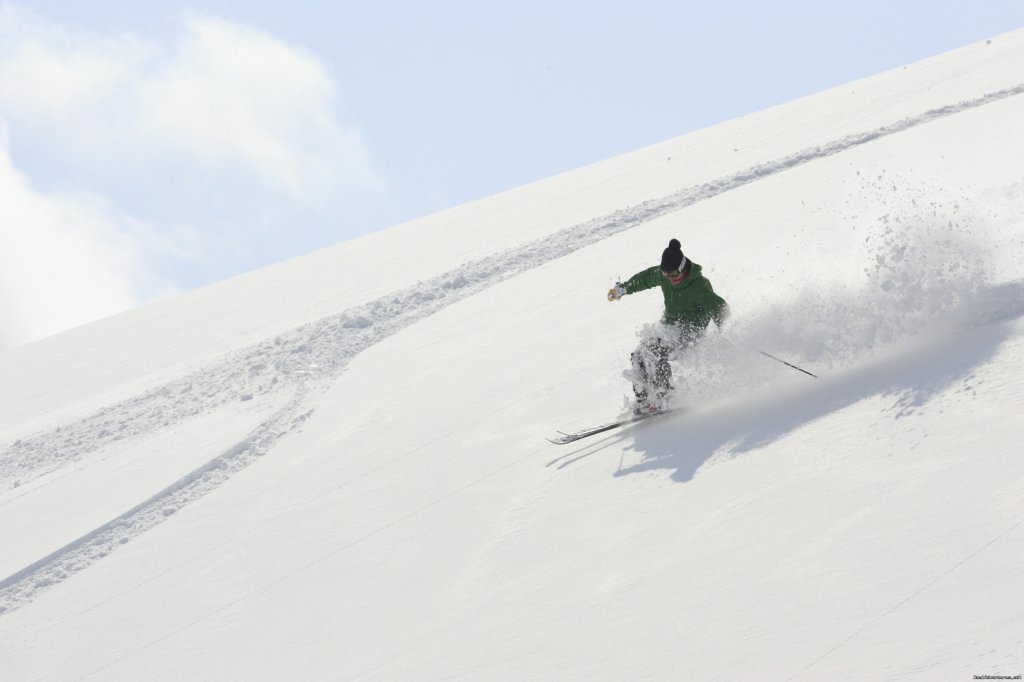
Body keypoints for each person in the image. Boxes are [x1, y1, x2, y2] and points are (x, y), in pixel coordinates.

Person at [607, 239, 729, 414]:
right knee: (639, 354)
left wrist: (728, 330)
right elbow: (645, 279)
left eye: (673, 275)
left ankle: (667, 397)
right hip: (669, 330)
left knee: (654, 351)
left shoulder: (699, 286)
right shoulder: (665, 276)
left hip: (690, 335)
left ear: (683, 268)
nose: (670, 279)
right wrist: (624, 289)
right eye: (665, 275)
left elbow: (719, 308)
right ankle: (644, 399)